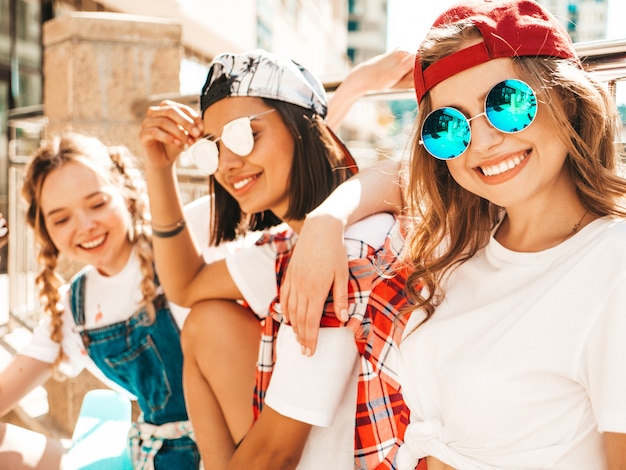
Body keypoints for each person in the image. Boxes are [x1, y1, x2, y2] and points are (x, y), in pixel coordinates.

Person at [139, 48, 412, 469]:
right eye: (211, 150)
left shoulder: (341, 249)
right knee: (207, 323)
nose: (227, 163)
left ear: (301, 127)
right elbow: (187, 284)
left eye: (243, 134)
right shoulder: (292, 243)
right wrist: (158, 169)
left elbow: (274, 456)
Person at [392, 1, 626, 469]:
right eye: (447, 127)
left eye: (506, 103)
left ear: (566, 97)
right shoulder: (463, 246)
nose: (480, 142)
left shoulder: (613, 266)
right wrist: (328, 219)